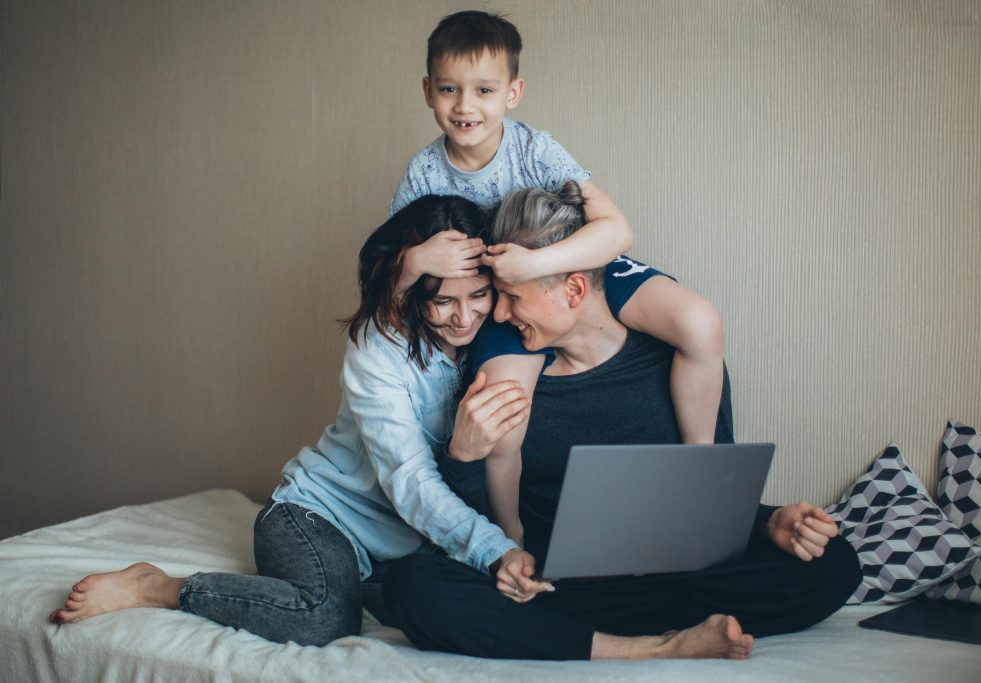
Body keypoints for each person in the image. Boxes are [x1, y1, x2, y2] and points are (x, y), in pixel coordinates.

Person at [382, 182, 863, 661]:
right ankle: (657, 646)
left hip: (677, 577)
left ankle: (584, 637)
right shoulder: (505, 373)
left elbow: (702, 496)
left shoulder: (677, 362)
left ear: (572, 289)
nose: (497, 314)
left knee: (834, 563)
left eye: (510, 296)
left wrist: (768, 523)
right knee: (412, 587)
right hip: (558, 586)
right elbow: (477, 524)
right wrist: (462, 456)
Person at [47, 195, 532, 646]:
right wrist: (494, 548)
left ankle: (360, 584)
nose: (464, 317)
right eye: (442, 301)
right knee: (324, 616)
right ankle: (158, 586)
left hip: (403, 546)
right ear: (412, 296)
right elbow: (410, 480)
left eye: (478, 296)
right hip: (317, 517)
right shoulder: (379, 349)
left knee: (456, 605)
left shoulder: (492, 344)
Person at [393, 9, 728, 546]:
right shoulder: (422, 174)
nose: (465, 105)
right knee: (504, 416)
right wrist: (417, 260)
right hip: (503, 299)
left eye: (484, 89)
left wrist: (536, 264)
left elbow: (617, 230)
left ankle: (699, 471)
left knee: (701, 324)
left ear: (513, 92)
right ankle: (511, 540)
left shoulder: (536, 149)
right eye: (450, 89)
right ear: (428, 91)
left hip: (571, 268)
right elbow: (392, 269)